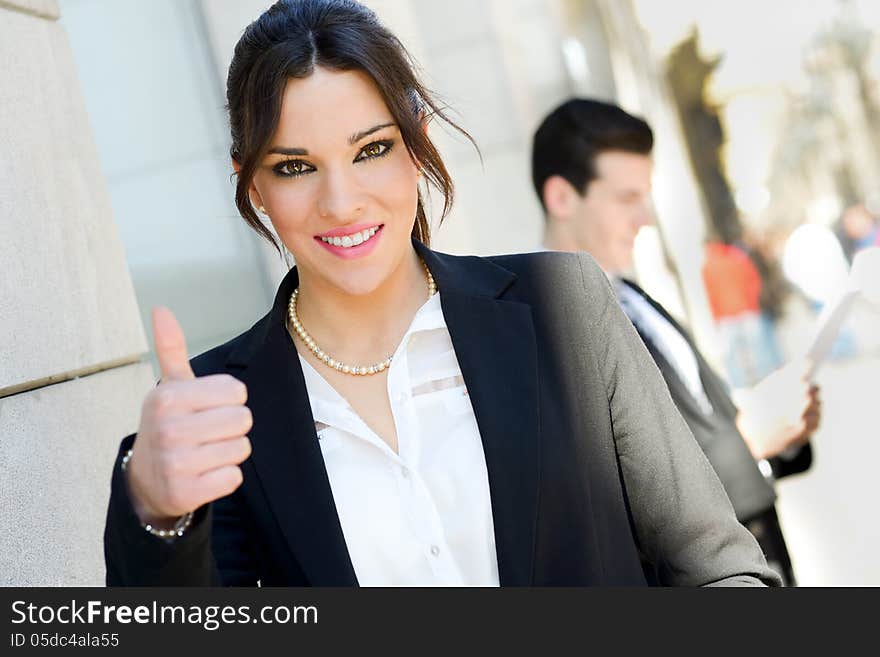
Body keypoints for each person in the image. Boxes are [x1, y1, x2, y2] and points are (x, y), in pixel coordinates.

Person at [104, 0, 779, 587]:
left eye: (370, 149)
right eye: (295, 167)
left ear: (416, 143)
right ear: (253, 185)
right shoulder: (223, 408)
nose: (341, 202)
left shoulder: (563, 306)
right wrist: (156, 515)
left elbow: (717, 564)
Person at [531, 98, 820, 585]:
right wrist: (750, 444)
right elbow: (608, 506)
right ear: (561, 197)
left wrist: (777, 431)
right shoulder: (545, 327)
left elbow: (692, 423)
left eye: (645, 196)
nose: (645, 218)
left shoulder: (632, 295)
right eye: (627, 198)